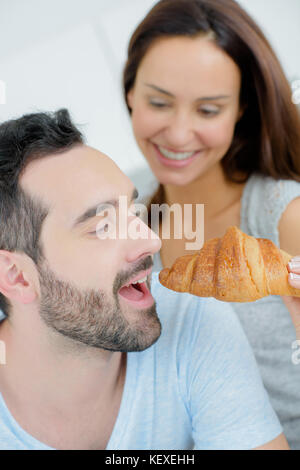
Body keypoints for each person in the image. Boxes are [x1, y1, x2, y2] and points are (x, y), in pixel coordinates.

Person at [0, 109, 289, 450]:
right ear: (17, 276)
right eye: (103, 226)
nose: (152, 240)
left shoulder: (192, 320)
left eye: (132, 211)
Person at [123, 0, 300, 449]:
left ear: (241, 109)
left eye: (208, 110)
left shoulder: (284, 217)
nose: (179, 135)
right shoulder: (127, 220)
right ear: (130, 93)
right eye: (159, 102)